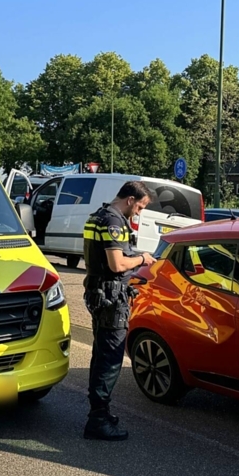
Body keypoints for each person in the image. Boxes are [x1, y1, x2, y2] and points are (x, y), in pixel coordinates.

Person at [82, 181, 157, 441]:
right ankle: (98, 420)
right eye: (140, 207)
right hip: (111, 299)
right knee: (110, 360)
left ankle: (99, 412)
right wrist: (142, 259)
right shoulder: (113, 221)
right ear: (130, 199)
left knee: (101, 354)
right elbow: (116, 264)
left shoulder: (97, 216)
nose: (139, 213)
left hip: (99, 294)